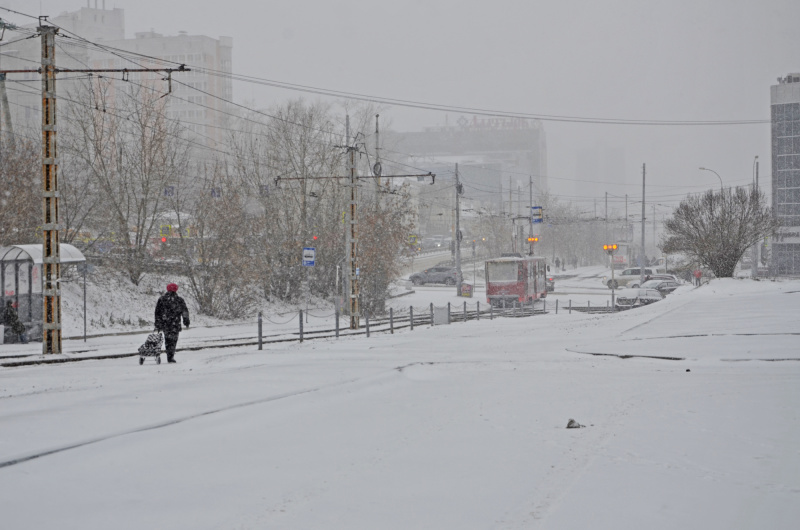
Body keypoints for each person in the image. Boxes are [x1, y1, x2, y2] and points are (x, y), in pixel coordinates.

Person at [154, 283, 190, 363]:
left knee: (167, 339)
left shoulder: (162, 299)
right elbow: (184, 311)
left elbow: (157, 312)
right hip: (175, 323)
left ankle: (169, 355)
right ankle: (171, 356)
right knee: (174, 340)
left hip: (165, 323)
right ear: (176, 289)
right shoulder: (179, 300)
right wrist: (186, 321)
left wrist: (158, 323)